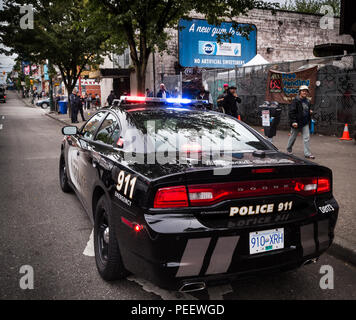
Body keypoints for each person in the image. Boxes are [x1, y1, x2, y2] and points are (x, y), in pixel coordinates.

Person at [286, 85, 315, 159]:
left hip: (305, 122)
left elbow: (305, 110)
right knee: (293, 137)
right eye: (303, 91)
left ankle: (307, 153)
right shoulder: (295, 101)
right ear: (300, 92)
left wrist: (309, 112)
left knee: (306, 138)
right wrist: (294, 122)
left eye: (306, 91)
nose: (305, 92)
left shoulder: (307, 101)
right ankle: (288, 149)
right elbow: (292, 112)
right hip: (297, 122)